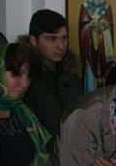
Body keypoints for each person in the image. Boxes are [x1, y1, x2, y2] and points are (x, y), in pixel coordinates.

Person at [22, 9, 83, 140]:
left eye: (64, 38)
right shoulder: (24, 77)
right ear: (33, 40)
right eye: (51, 39)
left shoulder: (71, 75)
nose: (60, 46)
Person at [78, 0, 115, 92]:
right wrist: (90, 25)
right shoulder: (86, 5)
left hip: (104, 45)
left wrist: (105, 28)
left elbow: (111, 24)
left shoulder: (106, 5)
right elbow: (82, 25)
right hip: (90, 47)